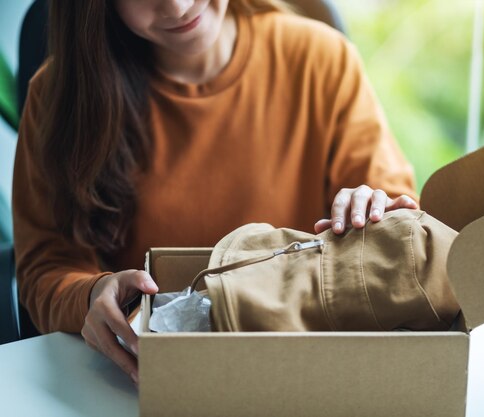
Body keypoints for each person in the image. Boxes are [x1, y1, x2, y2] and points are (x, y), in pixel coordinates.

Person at [13, 0, 419, 384]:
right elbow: (48, 263)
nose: (177, 6)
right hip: (143, 378)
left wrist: (374, 206)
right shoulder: (59, 96)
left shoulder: (322, 59)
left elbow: (397, 215)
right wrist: (89, 295)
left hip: (305, 366)